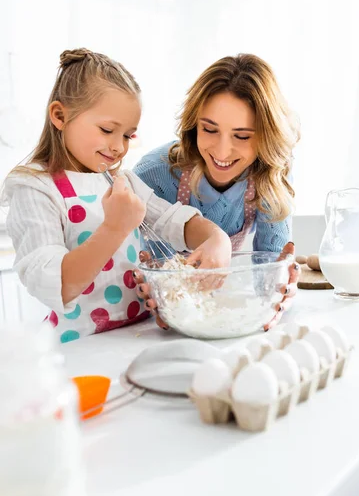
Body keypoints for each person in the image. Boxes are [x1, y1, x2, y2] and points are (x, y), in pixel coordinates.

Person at [2, 48, 232, 342]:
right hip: (79, 344)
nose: (119, 147)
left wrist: (217, 240)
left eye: (127, 135)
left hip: (139, 333)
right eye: (107, 130)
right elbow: (55, 283)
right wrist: (115, 227)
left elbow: (173, 221)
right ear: (60, 116)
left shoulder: (121, 180)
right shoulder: (34, 187)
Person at [133, 54, 300, 330]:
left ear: (267, 136)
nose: (222, 152)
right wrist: (158, 298)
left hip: (216, 313)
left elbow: (270, 273)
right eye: (209, 129)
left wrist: (280, 290)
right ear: (193, 125)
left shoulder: (270, 174)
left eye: (242, 136)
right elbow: (147, 273)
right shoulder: (154, 174)